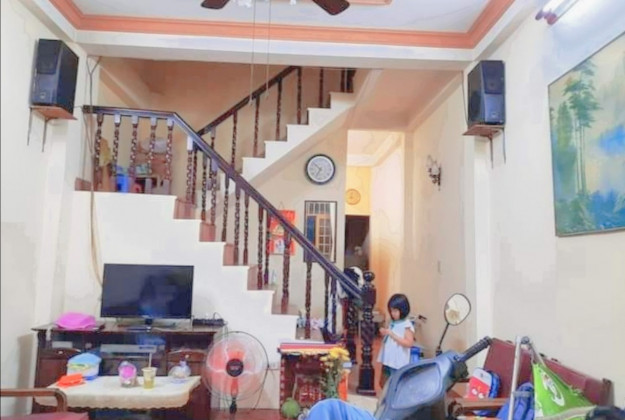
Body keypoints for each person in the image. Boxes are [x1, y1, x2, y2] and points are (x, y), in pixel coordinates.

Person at [377, 293, 415, 388]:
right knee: (384, 382)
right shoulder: (393, 322)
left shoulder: (406, 325)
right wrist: (385, 332)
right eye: (391, 311)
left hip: (397, 361)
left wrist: (393, 335)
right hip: (388, 358)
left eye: (395, 311)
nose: (392, 313)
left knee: (395, 384)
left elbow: (409, 343)